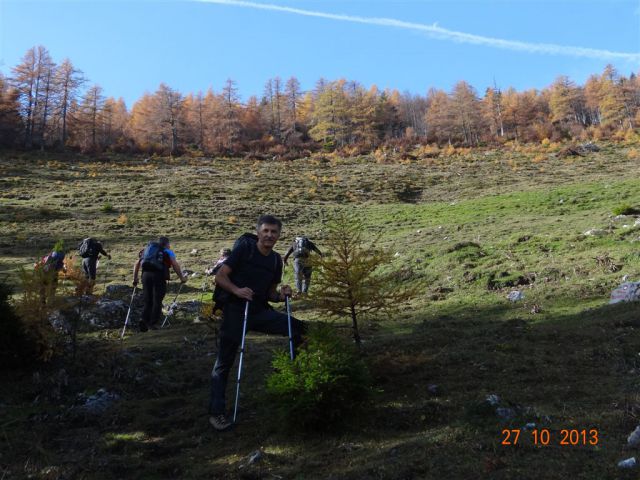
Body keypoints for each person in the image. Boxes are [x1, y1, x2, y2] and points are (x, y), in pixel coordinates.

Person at [209, 215, 306, 431]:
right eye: (266, 231)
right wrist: (237, 290)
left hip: (259, 311)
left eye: (274, 232)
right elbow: (221, 276)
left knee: (300, 329)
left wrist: (282, 295)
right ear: (258, 232)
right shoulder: (245, 249)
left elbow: (270, 293)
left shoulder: (275, 260)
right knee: (224, 361)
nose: (270, 235)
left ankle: (295, 380)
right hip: (235, 310)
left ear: (279, 235)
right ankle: (217, 413)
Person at [132, 236, 187, 332]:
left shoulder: (147, 250)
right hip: (158, 276)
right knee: (157, 300)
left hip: (145, 275)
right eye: (169, 244)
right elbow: (174, 264)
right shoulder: (167, 251)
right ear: (167, 244)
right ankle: (153, 324)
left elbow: (137, 264)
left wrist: (135, 278)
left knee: (148, 300)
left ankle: (143, 320)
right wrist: (181, 277)